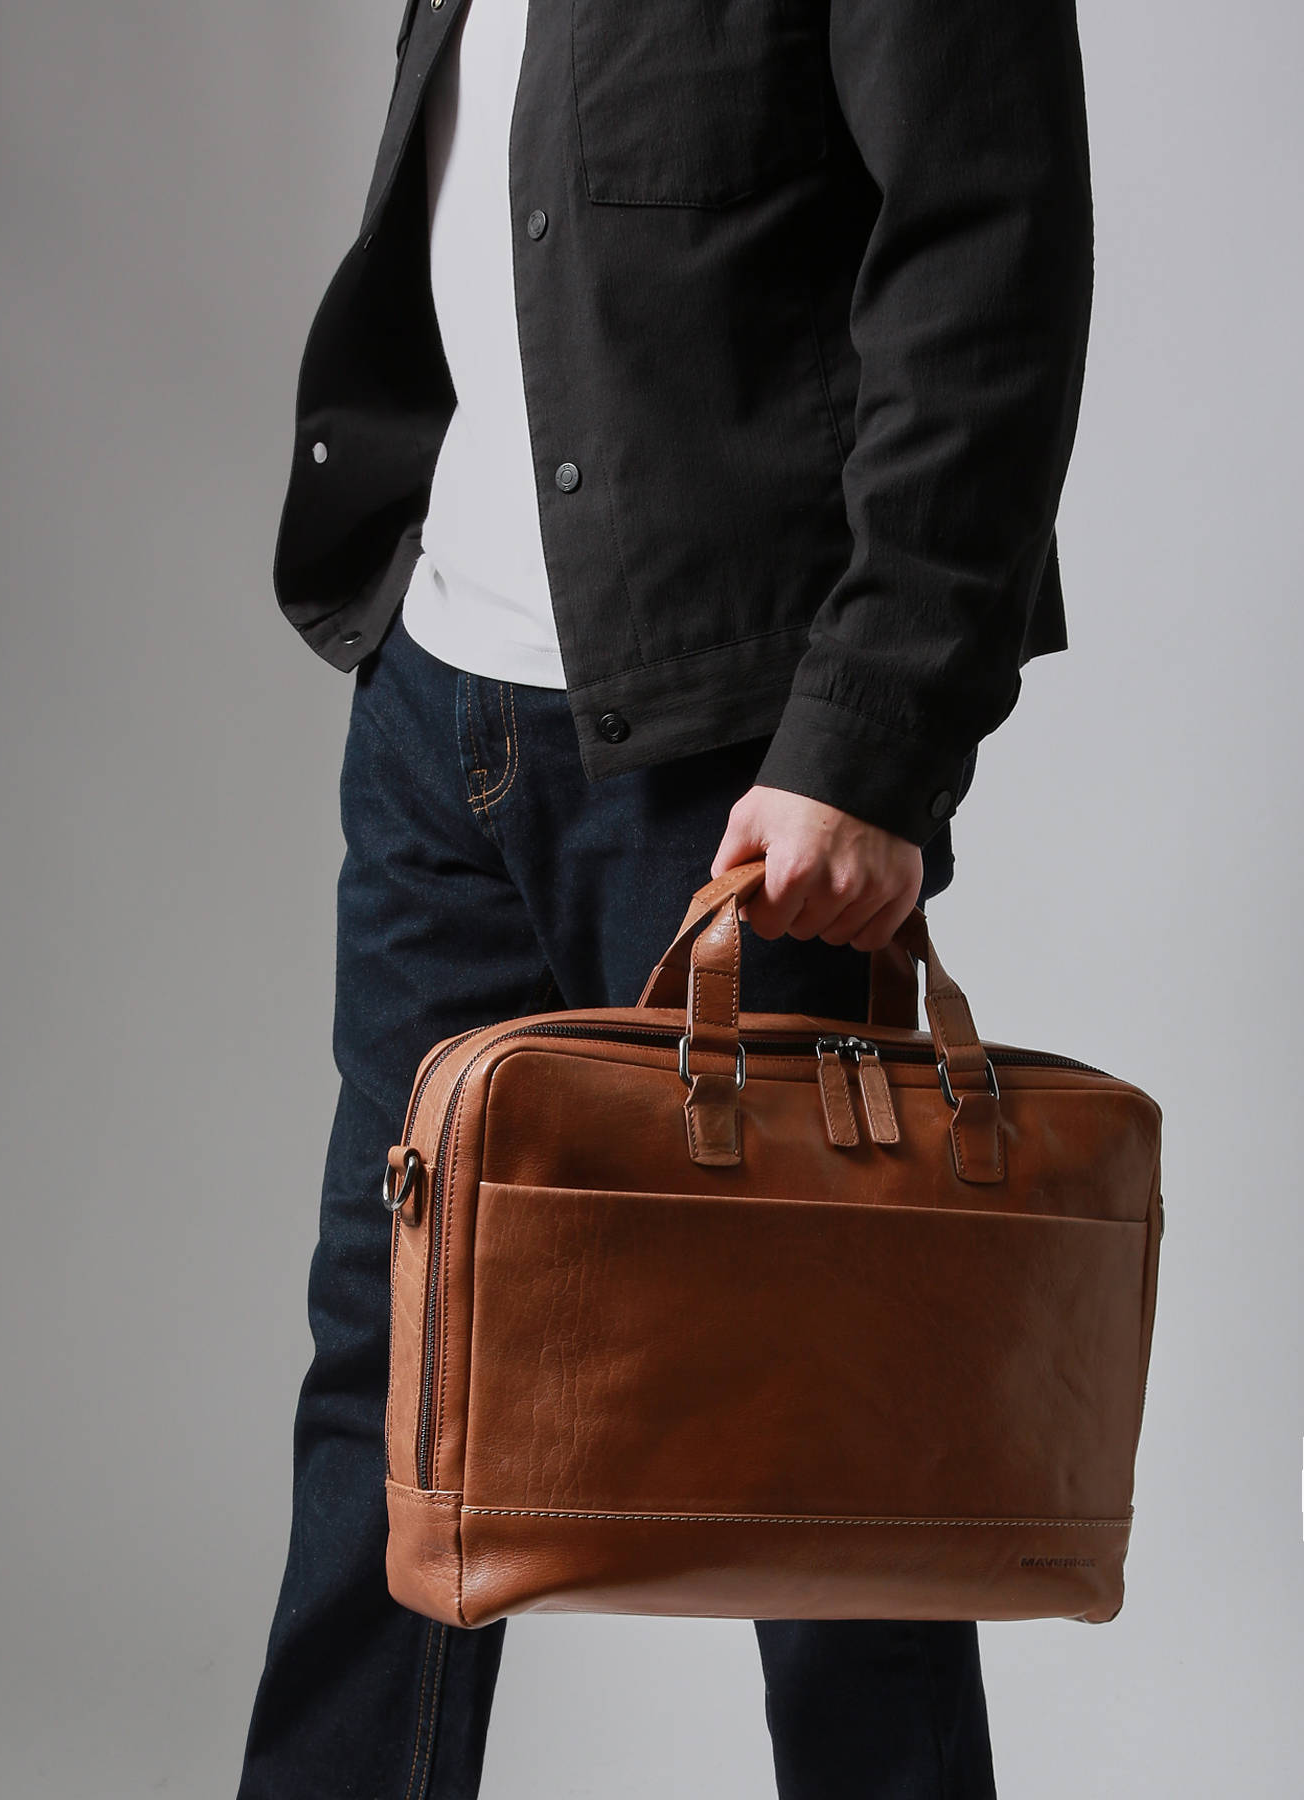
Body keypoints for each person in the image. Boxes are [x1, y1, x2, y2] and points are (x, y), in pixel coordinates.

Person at [236, 1, 1092, 1794]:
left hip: (735, 757)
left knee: (822, 1429)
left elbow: (989, 255)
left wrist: (873, 736)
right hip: (436, 708)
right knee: (393, 1373)